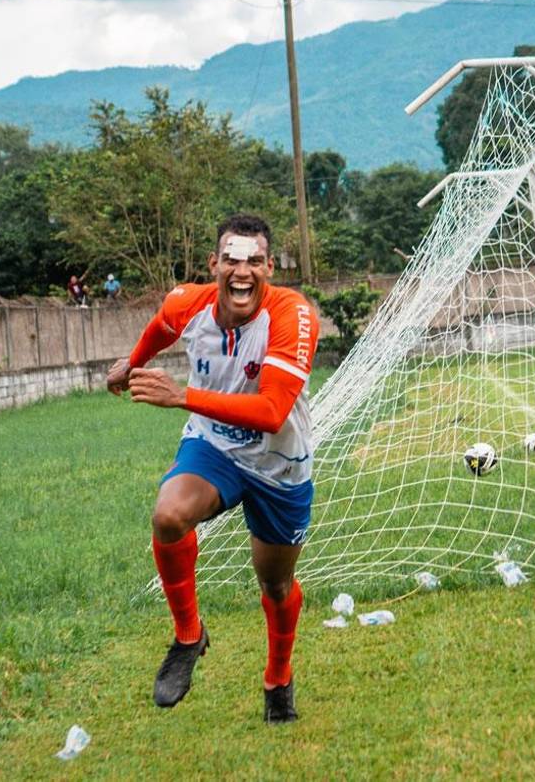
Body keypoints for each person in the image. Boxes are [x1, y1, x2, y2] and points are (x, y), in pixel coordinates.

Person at [106, 214, 319, 723]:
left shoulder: (292, 315)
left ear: (269, 267)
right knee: (168, 515)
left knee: (275, 586)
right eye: (231, 260)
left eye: (253, 261)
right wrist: (131, 365)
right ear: (214, 265)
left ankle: (278, 678)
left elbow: (270, 411)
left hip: (278, 463)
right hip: (214, 446)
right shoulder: (188, 302)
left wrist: (182, 396)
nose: (241, 271)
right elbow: (160, 328)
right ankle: (188, 635)